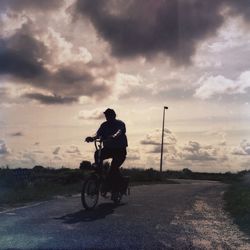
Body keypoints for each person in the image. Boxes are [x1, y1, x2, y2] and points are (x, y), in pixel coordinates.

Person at [85, 108, 128, 194]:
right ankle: (99, 173)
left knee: (113, 169)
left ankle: (120, 186)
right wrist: (92, 138)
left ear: (114, 116)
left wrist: (113, 136)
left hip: (120, 150)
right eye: (106, 116)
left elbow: (119, 132)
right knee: (98, 153)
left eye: (109, 115)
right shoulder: (104, 125)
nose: (108, 117)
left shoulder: (120, 123)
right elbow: (98, 134)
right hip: (109, 149)